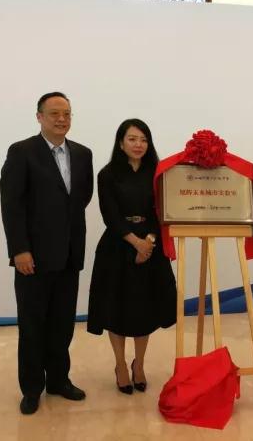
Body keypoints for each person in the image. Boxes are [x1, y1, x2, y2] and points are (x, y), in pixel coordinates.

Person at [0, 92, 93, 415]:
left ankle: (58, 380)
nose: (61, 119)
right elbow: (12, 205)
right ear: (39, 116)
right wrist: (20, 250)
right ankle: (31, 389)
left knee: (62, 324)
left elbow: (80, 199)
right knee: (32, 326)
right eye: (54, 113)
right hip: (33, 258)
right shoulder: (22, 152)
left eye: (67, 113)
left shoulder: (82, 154)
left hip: (69, 254)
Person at [87, 118, 176, 394]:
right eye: (132, 139)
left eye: (144, 139)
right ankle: (120, 365)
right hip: (117, 246)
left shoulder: (157, 173)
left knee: (143, 310)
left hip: (150, 244)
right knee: (116, 310)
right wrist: (135, 243)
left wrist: (148, 243)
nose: (139, 145)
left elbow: (161, 211)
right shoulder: (107, 174)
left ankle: (139, 365)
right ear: (121, 143)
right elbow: (110, 215)